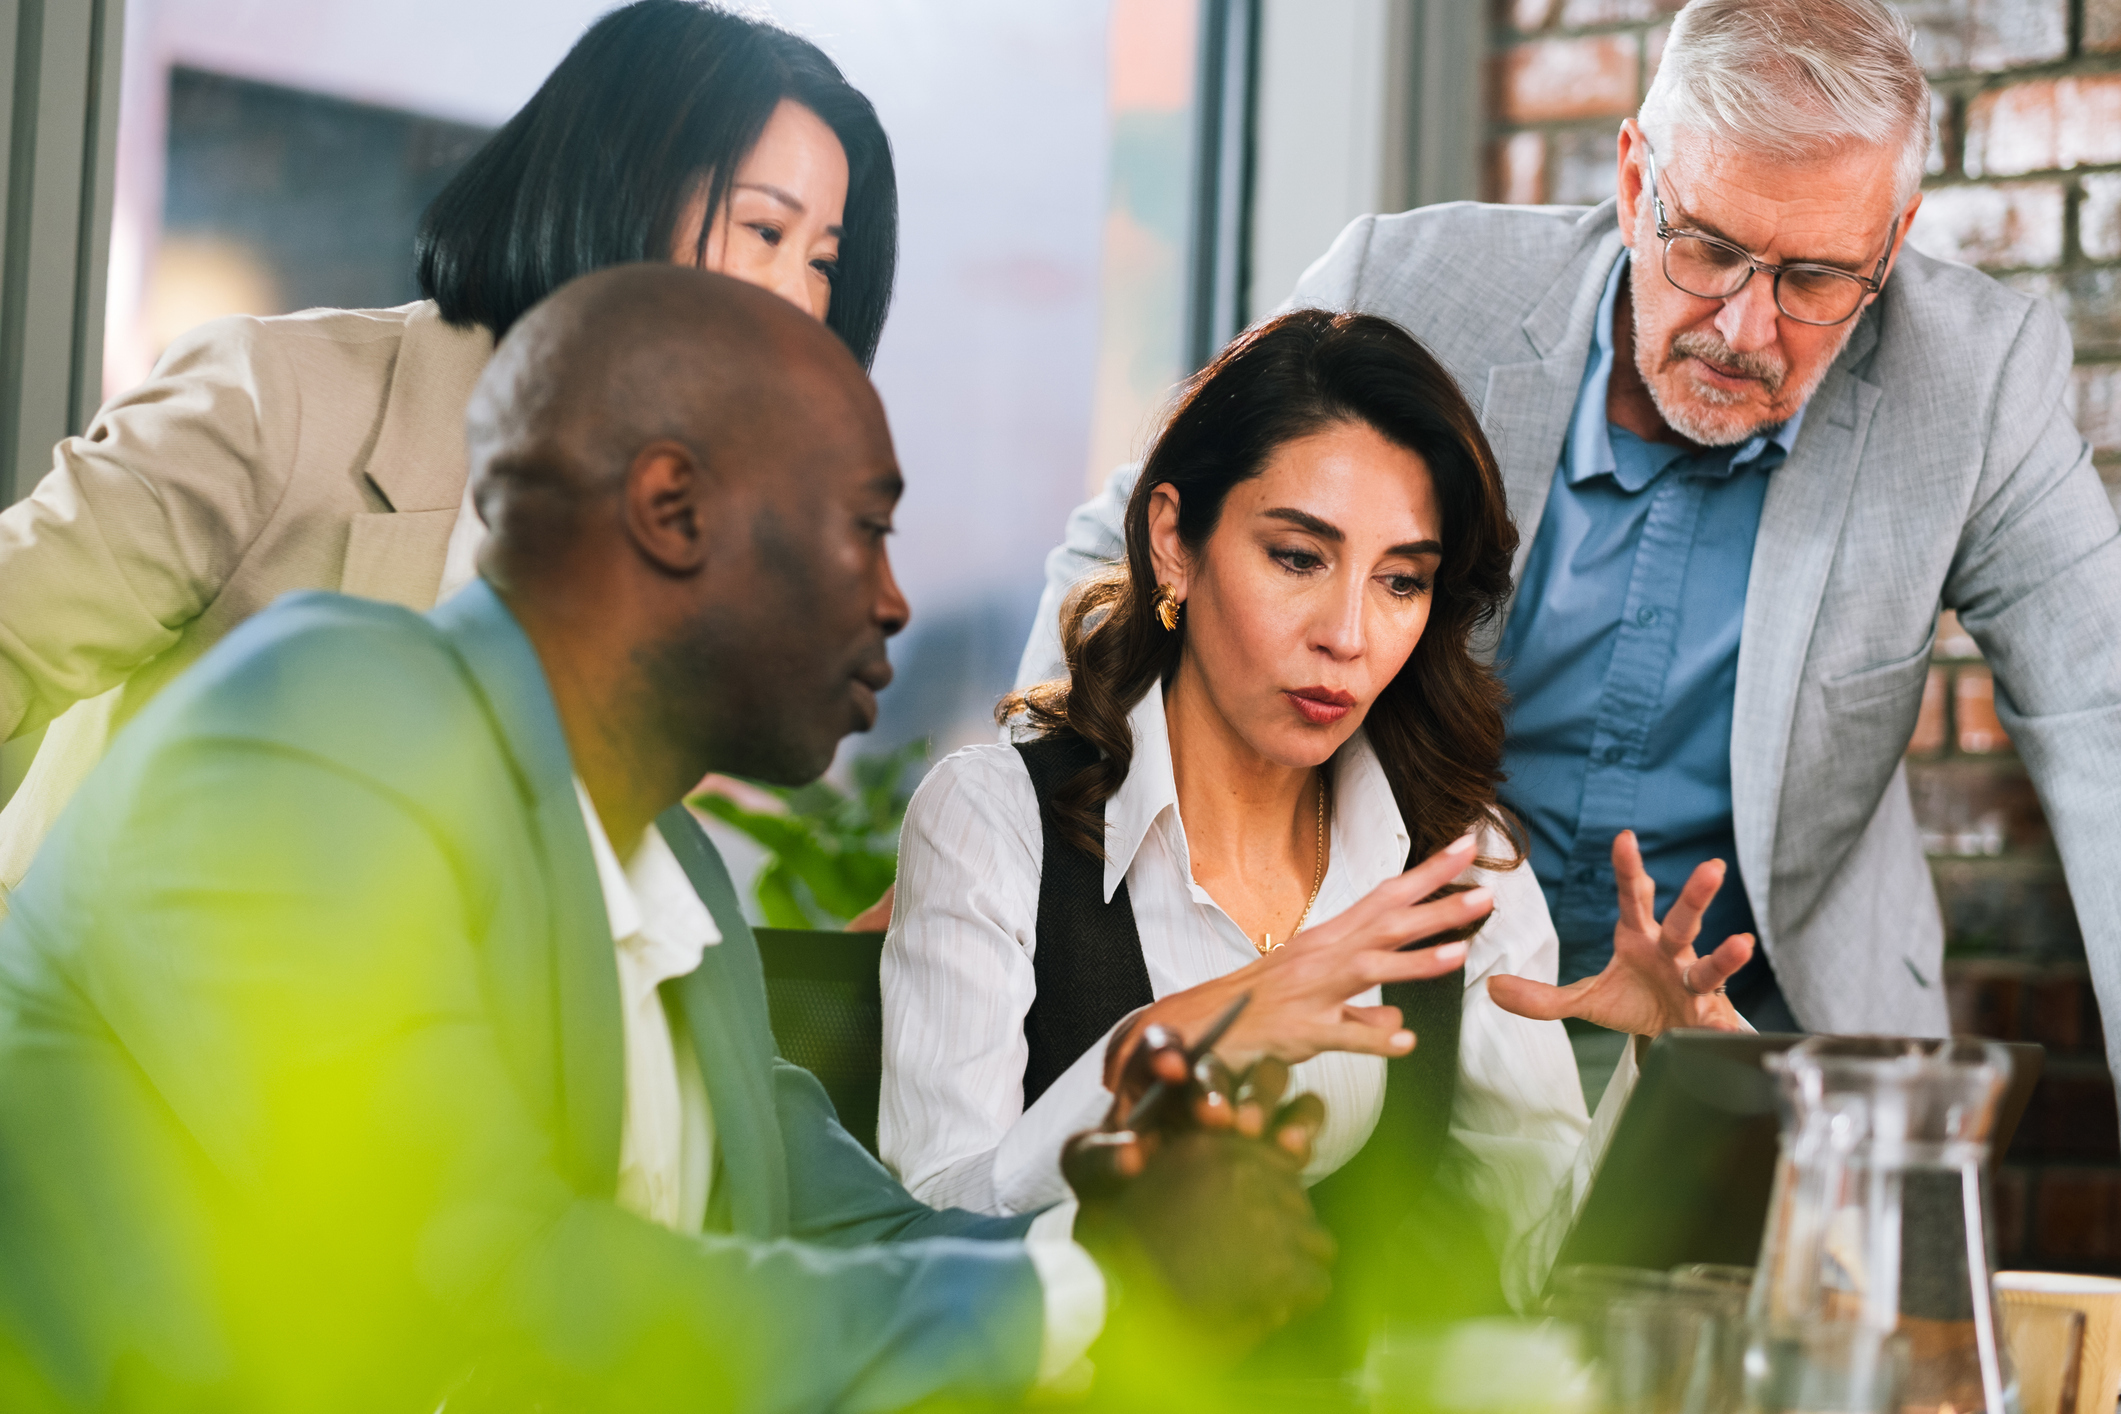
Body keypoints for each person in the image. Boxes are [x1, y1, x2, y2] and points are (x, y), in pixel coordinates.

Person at [0, 265, 1335, 1413]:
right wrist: (1082, 1286)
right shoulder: (328, 719)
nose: (893, 598)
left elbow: (837, 1229)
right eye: (863, 526)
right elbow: (483, 1288)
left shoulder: (670, 868)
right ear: (672, 508)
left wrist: (1129, 1221)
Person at [1018, 0, 2121, 1099]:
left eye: (1817, 280)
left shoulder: (1975, 378)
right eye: (1709, 250)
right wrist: (1043, 869)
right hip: (1407, 1009)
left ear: (1894, 238)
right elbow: (1133, 554)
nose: (1745, 330)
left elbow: (2105, 718)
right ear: (1638, 182)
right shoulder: (1410, 291)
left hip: (1757, 1036)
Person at [883, 309, 1753, 1340]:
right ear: (1175, 540)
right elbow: (922, 1239)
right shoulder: (993, 819)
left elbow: (1533, 1275)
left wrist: (1665, 1081)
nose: (1347, 635)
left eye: (1401, 581)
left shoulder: (1460, 863)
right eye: (1299, 556)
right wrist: (1190, 1031)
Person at [0, 0, 894, 919]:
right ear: (615, 193)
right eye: (765, 233)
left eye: (824, 261)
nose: (799, 299)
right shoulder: (278, 398)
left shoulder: (680, 541)